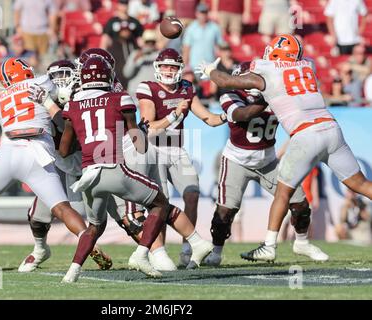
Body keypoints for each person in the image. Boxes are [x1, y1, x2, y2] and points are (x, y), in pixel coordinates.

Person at [196, 34, 372, 262]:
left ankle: (270, 245)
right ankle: (222, 251)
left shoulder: (267, 71)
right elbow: (243, 108)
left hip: (304, 136)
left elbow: (227, 80)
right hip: (330, 128)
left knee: (285, 194)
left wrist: (211, 71)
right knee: (360, 184)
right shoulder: (306, 66)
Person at [56, 56, 213, 282]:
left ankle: (71, 273)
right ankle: (150, 252)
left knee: (94, 227)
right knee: (160, 203)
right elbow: (138, 141)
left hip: (88, 177)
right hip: (114, 168)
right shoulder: (119, 98)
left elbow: (63, 151)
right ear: (108, 76)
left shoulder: (72, 105)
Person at [0, 58, 95, 276]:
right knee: (62, 208)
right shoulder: (41, 82)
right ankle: (88, 241)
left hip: (8, 152)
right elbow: (61, 90)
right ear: (25, 71)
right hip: (36, 152)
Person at [203, 62, 328, 266]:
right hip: (237, 161)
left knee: (300, 204)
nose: (253, 81)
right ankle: (216, 252)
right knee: (225, 211)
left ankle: (302, 243)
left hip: (268, 161)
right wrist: (271, 98)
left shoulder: (275, 97)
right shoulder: (230, 96)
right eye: (248, 77)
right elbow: (243, 115)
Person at [18, 59, 112, 272]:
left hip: (92, 163)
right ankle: (40, 249)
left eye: (65, 74)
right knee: (37, 216)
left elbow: (66, 123)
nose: (60, 80)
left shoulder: (85, 97)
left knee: (119, 217)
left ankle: (150, 250)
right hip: (59, 164)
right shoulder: (42, 101)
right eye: (55, 76)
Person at [136, 48, 226, 267]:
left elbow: (209, 118)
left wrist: (229, 115)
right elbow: (149, 129)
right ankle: (160, 254)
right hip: (154, 151)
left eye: (173, 66)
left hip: (177, 151)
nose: (168, 70)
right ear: (157, 68)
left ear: (179, 70)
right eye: (165, 66)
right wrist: (174, 114)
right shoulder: (148, 88)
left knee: (192, 194)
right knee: (160, 204)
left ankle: (189, 249)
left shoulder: (185, 88)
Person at [182, 3, 225, 70]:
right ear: (196, 13)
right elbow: (186, 48)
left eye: (205, 12)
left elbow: (220, 46)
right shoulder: (191, 28)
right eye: (201, 12)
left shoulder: (215, 27)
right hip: (194, 66)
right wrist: (185, 65)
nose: (203, 15)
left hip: (210, 65)